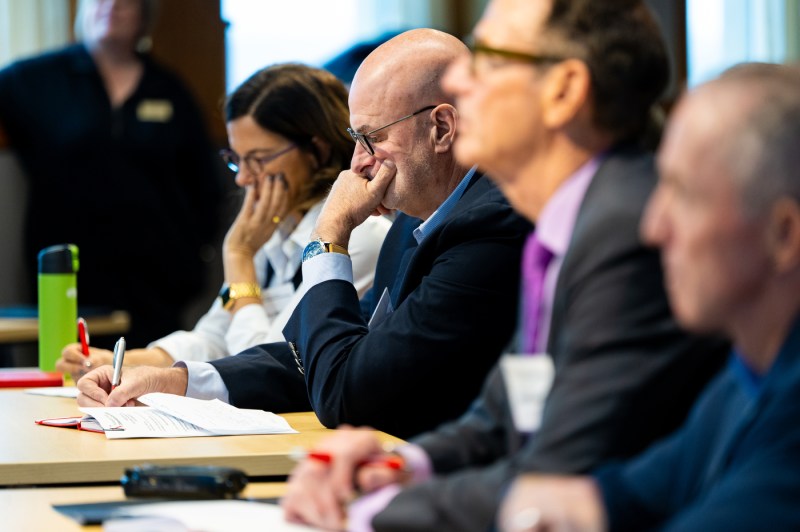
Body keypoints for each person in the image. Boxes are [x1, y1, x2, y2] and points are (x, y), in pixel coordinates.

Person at [279, 1, 729, 530]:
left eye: (488, 59)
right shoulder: (565, 221)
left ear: (563, 91)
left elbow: (558, 470)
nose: (459, 81)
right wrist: (398, 467)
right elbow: (506, 416)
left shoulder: (627, 233)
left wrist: (369, 510)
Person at [76, 29, 531, 440]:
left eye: (372, 138)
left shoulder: (488, 228)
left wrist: (328, 236)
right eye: (355, 139)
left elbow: (343, 393)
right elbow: (307, 357)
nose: (357, 163)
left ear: (442, 128)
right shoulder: (416, 222)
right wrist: (175, 380)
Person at [495, 62, 800, 532]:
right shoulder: (743, 376)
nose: (653, 228)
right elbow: (624, 494)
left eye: (684, 195)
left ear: (784, 235)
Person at [55, 64, 390, 380]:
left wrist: (239, 257)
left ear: (317, 151)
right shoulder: (276, 229)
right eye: (236, 160)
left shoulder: (356, 235)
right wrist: (120, 362)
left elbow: (265, 364)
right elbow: (213, 338)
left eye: (258, 160)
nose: (243, 178)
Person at [0, 0, 221, 347]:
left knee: (151, 370)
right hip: (69, 275)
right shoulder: (36, 80)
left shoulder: (168, 89)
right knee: (72, 369)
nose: (112, 6)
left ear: (144, 14)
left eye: (125, 1)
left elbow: (205, 185)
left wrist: (192, 254)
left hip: (155, 280)